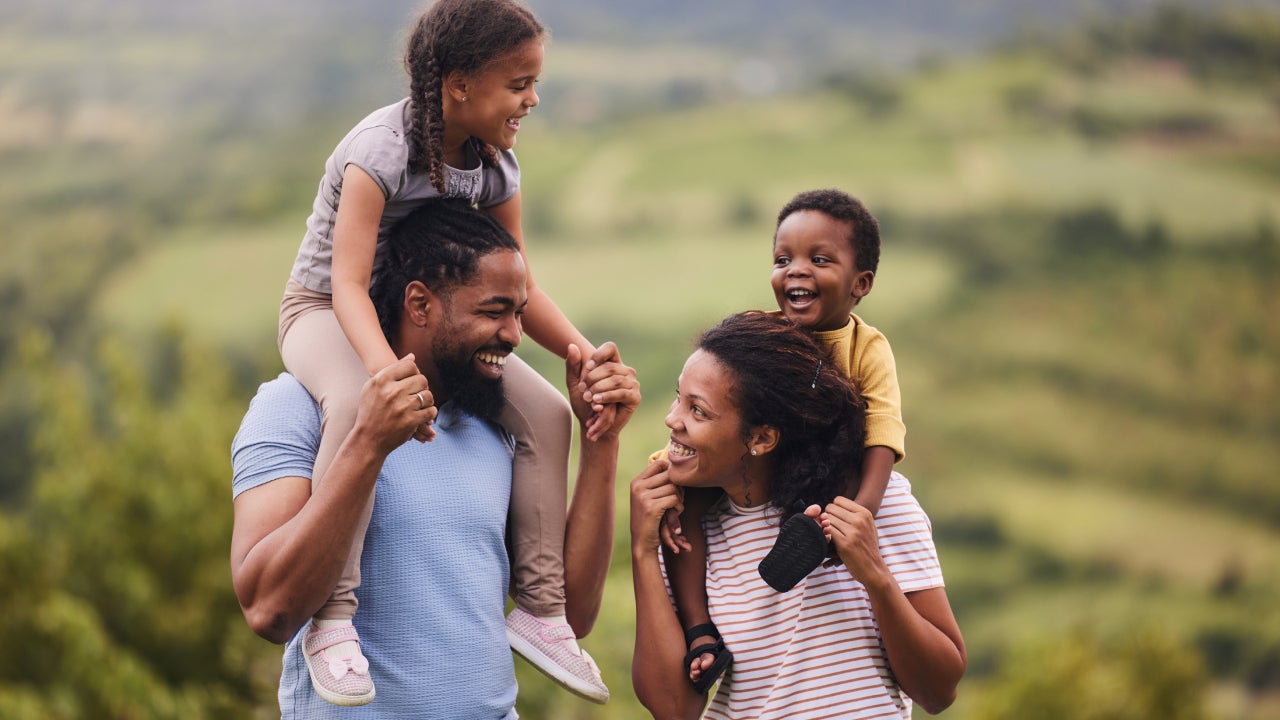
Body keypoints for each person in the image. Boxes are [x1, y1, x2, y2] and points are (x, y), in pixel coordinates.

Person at [277, 0, 611, 705]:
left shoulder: (496, 166)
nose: (533, 98)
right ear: (458, 84)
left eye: (535, 81)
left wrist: (581, 352)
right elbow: (343, 285)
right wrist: (386, 375)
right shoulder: (379, 152)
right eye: (518, 83)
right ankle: (334, 619)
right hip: (328, 313)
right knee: (353, 409)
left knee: (548, 414)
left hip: (424, 322)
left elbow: (522, 283)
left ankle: (542, 612)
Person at [233, 198, 639, 717]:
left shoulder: (501, 425)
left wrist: (600, 439)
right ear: (419, 304)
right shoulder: (296, 407)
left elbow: (572, 613)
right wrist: (369, 442)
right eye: (493, 312)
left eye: (518, 313)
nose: (515, 335)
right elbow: (269, 610)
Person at [631, 312, 964, 719]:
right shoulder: (685, 531)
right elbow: (673, 709)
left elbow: (940, 692)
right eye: (677, 398)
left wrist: (875, 576)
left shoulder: (875, 503)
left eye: (697, 411)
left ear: (762, 438)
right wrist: (644, 550)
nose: (672, 419)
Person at [662, 189, 909, 692]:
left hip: (826, 467)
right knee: (685, 504)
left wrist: (862, 513)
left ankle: (814, 536)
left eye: (819, 259)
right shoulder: (767, 336)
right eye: (783, 259)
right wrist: (669, 469)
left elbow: (882, 430)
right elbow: (715, 408)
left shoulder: (868, 347)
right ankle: (700, 629)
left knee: (836, 485)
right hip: (753, 458)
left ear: (861, 283)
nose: (796, 270)